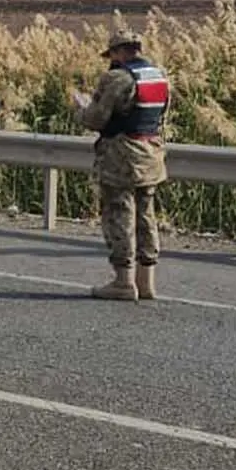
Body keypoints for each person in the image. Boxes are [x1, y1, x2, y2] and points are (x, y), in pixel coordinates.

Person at [73, 30, 170, 301]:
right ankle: (146, 281)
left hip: (122, 155)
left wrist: (80, 108)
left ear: (118, 52)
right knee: (146, 215)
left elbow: (96, 119)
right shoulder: (158, 75)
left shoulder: (117, 78)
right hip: (151, 153)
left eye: (112, 55)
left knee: (119, 214)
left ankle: (123, 281)